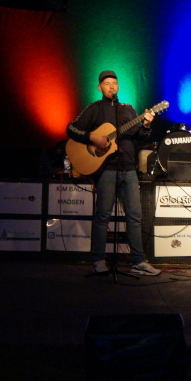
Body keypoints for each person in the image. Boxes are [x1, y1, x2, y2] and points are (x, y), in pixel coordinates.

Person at [67, 70, 161, 276]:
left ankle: (138, 261)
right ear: (100, 87)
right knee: (103, 216)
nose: (111, 87)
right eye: (107, 83)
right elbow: (72, 128)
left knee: (135, 216)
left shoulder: (128, 109)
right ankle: (98, 260)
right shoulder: (95, 108)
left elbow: (140, 136)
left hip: (129, 169)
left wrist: (146, 124)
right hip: (106, 170)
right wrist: (93, 138)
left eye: (115, 83)